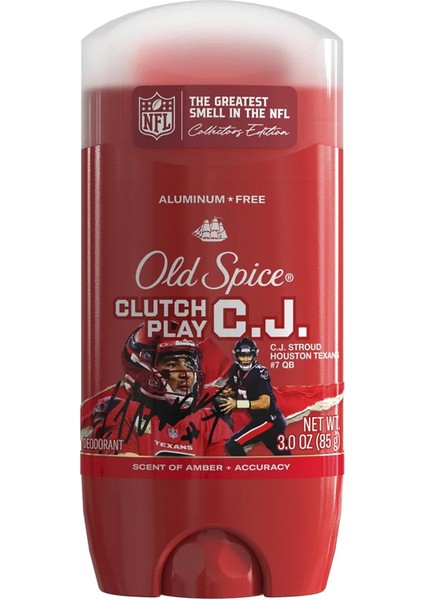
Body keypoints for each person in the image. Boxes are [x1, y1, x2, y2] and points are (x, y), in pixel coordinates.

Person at [87, 326, 233, 457]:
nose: (187, 374)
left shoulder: (213, 422)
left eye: (189, 364)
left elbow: (215, 475)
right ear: (143, 372)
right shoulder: (119, 411)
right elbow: (128, 471)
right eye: (172, 364)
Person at [219, 337, 290, 456]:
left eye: (249, 355)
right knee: (284, 457)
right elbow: (235, 390)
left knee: (233, 444)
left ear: (254, 355)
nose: (245, 359)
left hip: (269, 420)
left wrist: (237, 404)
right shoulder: (235, 369)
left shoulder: (259, 372)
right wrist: (229, 393)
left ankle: (244, 468)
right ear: (236, 356)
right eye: (242, 356)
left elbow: (264, 403)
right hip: (263, 421)